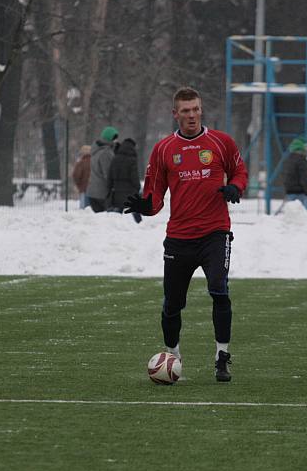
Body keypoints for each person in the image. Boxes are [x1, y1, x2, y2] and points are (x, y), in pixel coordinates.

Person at [123, 87, 248, 382]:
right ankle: (173, 357)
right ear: (175, 114)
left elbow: (241, 172)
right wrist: (145, 205)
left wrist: (236, 188)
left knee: (220, 291)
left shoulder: (221, 142)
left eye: (195, 109)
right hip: (179, 237)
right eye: (185, 110)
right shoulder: (164, 149)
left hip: (215, 233)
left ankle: (222, 357)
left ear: (201, 110)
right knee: (172, 304)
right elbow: (154, 198)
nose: (191, 115)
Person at [109, 137, 142, 223]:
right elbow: (134, 176)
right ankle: (140, 226)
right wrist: (138, 187)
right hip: (130, 190)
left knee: (118, 211)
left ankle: (114, 226)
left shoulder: (115, 158)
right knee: (135, 210)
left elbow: (110, 175)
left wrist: (110, 187)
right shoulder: (132, 159)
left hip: (117, 190)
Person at [86, 126, 118, 213]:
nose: (116, 141)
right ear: (110, 138)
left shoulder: (95, 150)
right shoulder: (106, 153)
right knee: (107, 222)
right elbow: (108, 174)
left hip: (92, 193)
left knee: (98, 223)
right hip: (102, 194)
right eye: (115, 138)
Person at [280, 136, 307, 213]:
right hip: (300, 193)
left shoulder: (288, 159)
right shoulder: (302, 160)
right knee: (301, 217)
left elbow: (284, 176)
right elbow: (304, 178)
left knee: (291, 216)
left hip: (289, 192)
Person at [71, 144, 92, 209]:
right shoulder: (95, 161)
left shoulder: (81, 163)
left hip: (84, 188)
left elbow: (76, 175)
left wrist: (78, 184)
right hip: (95, 189)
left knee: (84, 210)